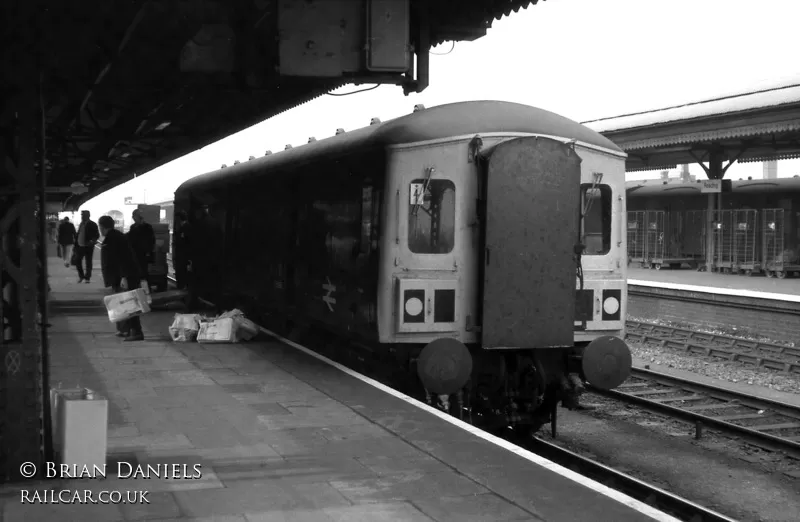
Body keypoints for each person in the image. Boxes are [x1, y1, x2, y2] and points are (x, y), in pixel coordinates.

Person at [98, 215, 144, 342]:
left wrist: (124, 277)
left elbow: (122, 258)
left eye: (100, 227)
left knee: (130, 305)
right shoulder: (114, 236)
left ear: (102, 227)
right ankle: (125, 330)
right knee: (122, 305)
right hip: (120, 276)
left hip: (124, 276)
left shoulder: (113, 238)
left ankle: (136, 332)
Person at [126, 209, 155, 287]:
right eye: (134, 217)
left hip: (144, 254)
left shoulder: (147, 227)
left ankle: (146, 290)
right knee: (136, 273)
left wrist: (149, 252)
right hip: (135, 253)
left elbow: (151, 241)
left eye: (136, 217)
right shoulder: (133, 227)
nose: (134, 219)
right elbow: (130, 238)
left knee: (144, 273)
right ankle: (137, 288)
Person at [74, 210, 100, 283]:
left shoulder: (92, 224)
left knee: (88, 262)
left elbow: (97, 235)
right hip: (80, 245)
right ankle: (81, 276)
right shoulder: (81, 224)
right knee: (77, 261)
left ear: (88, 216)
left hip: (88, 246)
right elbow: (79, 233)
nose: (82, 216)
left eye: (83, 215)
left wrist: (92, 241)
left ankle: (87, 278)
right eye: (82, 215)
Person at [171, 210, 192, 290]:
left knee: (182, 276)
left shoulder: (187, 228)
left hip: (184, 257)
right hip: (181, 257)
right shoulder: (181, 228)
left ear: (179, 219)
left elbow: (186, 243)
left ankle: (182, 293)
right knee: (180, 276)